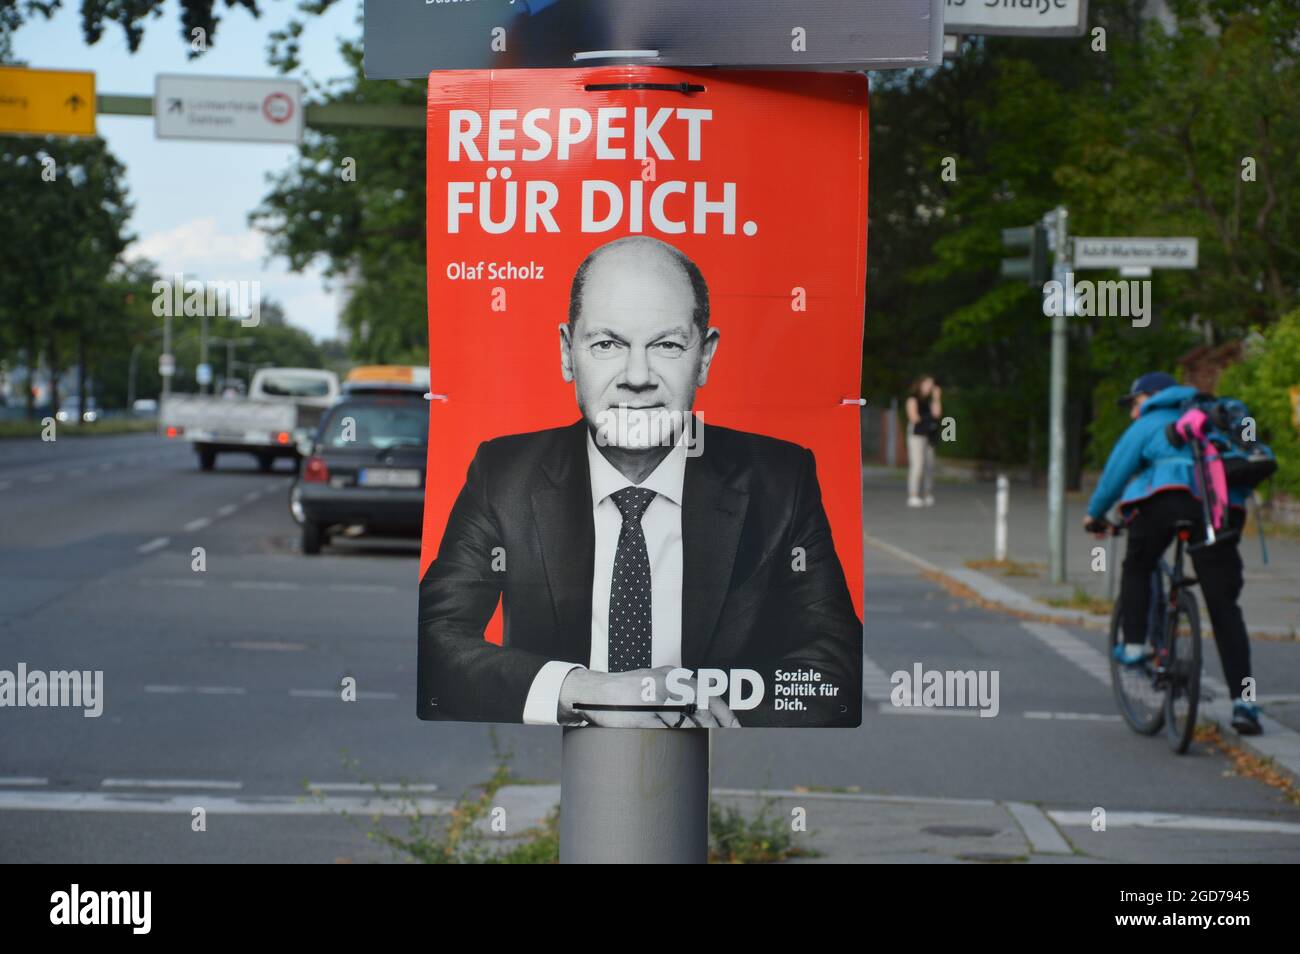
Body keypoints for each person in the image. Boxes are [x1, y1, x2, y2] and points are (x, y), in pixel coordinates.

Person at [418, 236, 862, 729]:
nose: (636, 375)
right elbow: (436, 640)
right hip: (557, 772)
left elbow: (833, 670)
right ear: (569, 353)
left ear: (706, 356)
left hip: (713, 775)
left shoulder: (780, 479)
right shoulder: (504, 473)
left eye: (667, 344)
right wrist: (585, 690)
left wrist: (691, 717)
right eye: (607, 344)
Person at [1083, 371, 1261, 735]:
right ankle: (1246, 703)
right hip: (1220, 509)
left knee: (1137, 565)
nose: (1133, 414)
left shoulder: (1152, 420)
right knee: (1224, 606)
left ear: (1151, 397)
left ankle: (1133, 647)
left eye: (1134, 404)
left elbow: (1116, 472)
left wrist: (1094, 514)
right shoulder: (1215, 413)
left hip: (1166, 501)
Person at [904, 375, 941, 508]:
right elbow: (914, 418)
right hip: (916, 435)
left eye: (931, 385)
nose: (929, 387)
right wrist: (929, 420)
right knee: (917, 465)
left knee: (929, 465)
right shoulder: (912, 399)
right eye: (927, 384)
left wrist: (937, 398)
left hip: (929, 435)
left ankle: (927, 494)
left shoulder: (929, 401)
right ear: (920, 384)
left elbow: (937, 414)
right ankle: (913, 495)